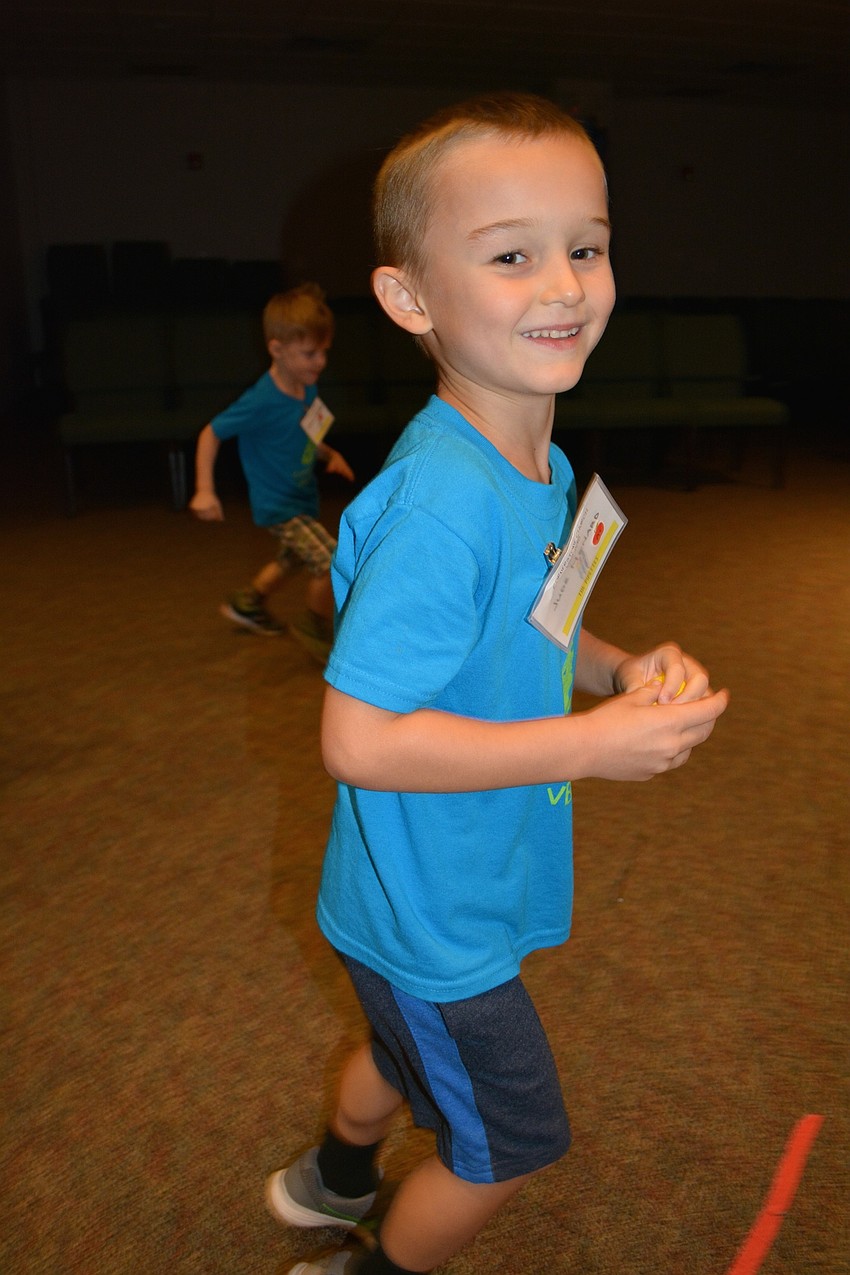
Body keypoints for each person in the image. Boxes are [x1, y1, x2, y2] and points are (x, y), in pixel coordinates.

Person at [265, 93, 730, 1275]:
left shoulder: (534, 461)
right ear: (411, 299)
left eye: (586, 245)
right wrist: (587, 747)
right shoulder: (443, 503)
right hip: (435, 916)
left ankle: (333, 1176)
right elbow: (358, 742)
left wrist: (616, 665)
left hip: (414, 890)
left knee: (397, 1052)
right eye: (513, 256)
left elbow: (539, 620)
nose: (566, 285)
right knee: (509, 1144)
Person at [189, 283, 354, 661]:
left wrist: (329, 455)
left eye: (324, 352)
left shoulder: (305, 387)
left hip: (300, 496)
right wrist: (204, 489)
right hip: (278, 503)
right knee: (331, 561)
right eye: (310, 353)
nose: (320, 362)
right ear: (277, 349)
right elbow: (211, 433)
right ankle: (315, 627)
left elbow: (308, 430)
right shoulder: (262, 399)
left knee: (291, 559)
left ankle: (247, 603)